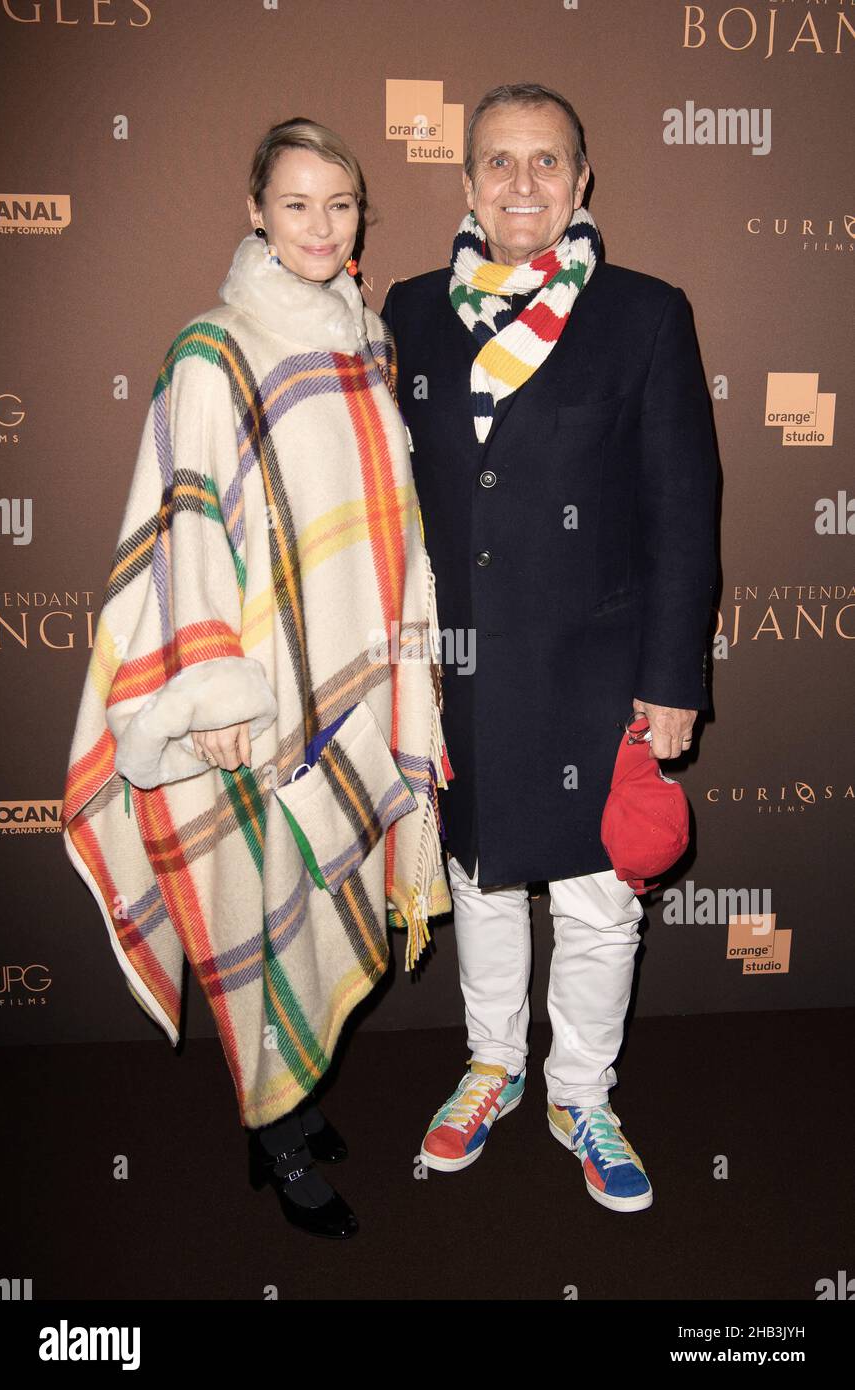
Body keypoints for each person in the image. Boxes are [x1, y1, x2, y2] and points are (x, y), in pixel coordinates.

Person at [62, 117, 451, 1240]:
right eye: (295, 203)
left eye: (340, 205)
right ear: (254, 212)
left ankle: (282, 1106)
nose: (320, 226)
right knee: (267, 902)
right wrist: (217, 692)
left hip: (356, 679)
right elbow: (190, 524)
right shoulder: (213, 350)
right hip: (258, 695)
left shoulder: (366, 340)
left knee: (324, 894)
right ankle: (276, 1132)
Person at [380, 84, 718, 1212]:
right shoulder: (410, 309)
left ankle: (580, 1091)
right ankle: (492, 1066)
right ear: (466, 181)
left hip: (594, 672)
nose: (521, 183)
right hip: (458, 670)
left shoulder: (644, 313)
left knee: (590, 899)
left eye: (545, 162)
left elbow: (682, 506)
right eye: (497, 161)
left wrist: (672, 679)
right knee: (477, 881)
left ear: (579, 181)